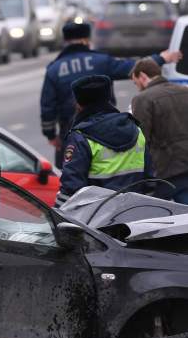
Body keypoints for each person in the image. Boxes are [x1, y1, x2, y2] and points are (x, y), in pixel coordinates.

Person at [40, 22, 181, 168]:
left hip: (70, 132)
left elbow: (47, 106)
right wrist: (161, 58)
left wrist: (50, 135)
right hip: (105, 128)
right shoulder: (101, 61)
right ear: (86, 40)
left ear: (66, 41)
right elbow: (133, 67)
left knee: (68, 172)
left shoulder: (54, 69)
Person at [55, 75, 153, 207]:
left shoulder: (81, 137)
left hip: (98, 218)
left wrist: (55, 216)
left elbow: (71, 188)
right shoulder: (135, 129)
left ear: (79, 104)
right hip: (136, 212)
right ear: (108, 97)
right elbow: (150, 179)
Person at [130, 58, 188, 203]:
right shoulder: (184, 91)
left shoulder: (142, 99)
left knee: (149, 212)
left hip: (168, 170)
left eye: (135, 82)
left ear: (142, 76)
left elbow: (142, 139)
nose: (137, 87)